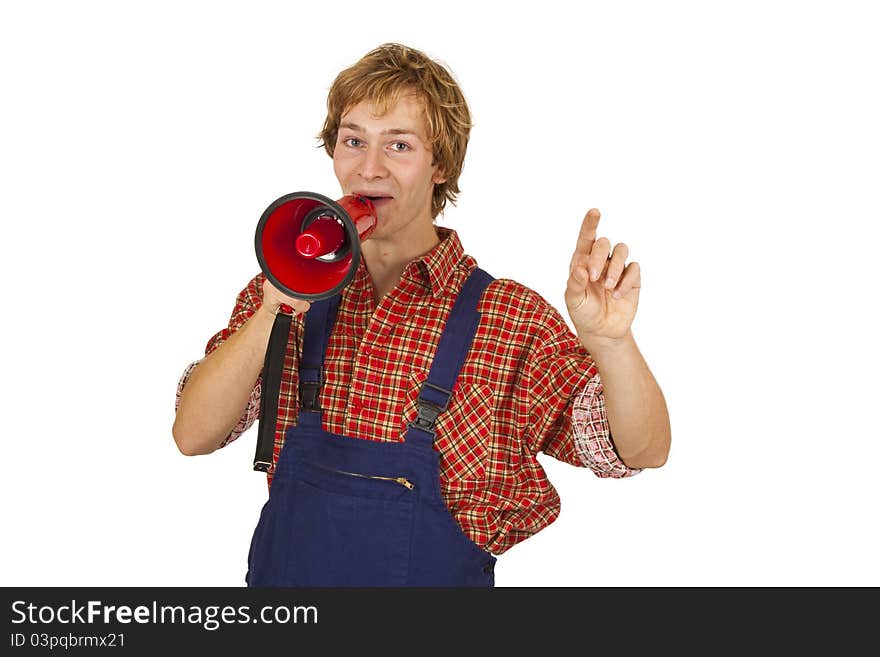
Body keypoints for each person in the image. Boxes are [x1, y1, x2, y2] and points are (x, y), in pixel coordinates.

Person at [173, 43, 671, 587]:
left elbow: (640, 450)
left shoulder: (508, 318)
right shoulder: (281, 290)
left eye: (399, 145)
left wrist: (613, 344)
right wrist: (274, 306)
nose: (369, 168)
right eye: (353, 140)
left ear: (440, 166)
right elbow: (193, 435)